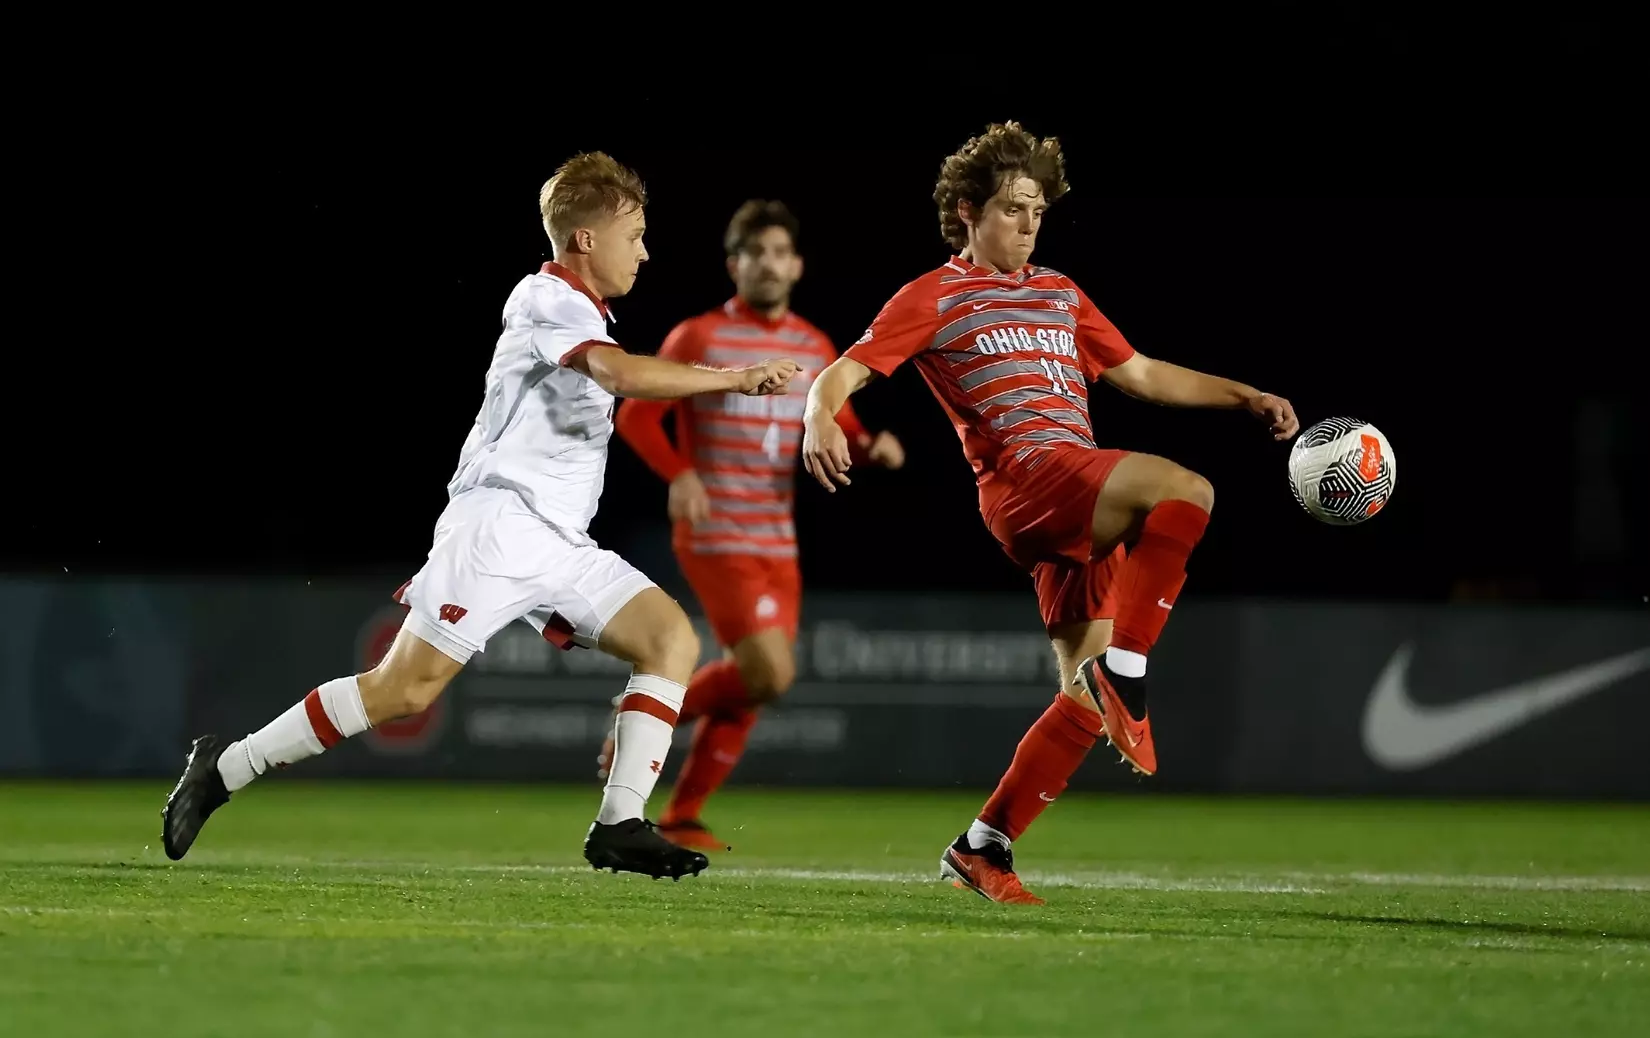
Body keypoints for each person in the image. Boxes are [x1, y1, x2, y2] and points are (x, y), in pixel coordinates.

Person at [160, 152, 800, 880]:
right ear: (586, 239)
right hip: (497, 528)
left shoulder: (584, 311)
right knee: (404, 690)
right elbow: (621, 375)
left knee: (669, 639)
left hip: (557, 542)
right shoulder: (546, 297)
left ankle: (620, 823)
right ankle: (226, 767)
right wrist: (736, 378)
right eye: (636, 234)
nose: (646, 251)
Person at [800, 122, 1299, 905]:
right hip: (1029, 483)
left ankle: (983, 845)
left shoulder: (1060, 293)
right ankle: (1128, 671)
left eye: (1037, 210)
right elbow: (843, 371)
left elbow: (1141, 374)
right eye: (1011, 209)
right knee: (1187, 492)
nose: (1029, 225)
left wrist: (1246, 394)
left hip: (1077, 493)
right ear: (967, 211)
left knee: (1080, 702)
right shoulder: (933, 294)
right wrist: (818, 416)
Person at [607, 200, 905, 851]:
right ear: (733, 264)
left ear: (796, 265)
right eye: (754, 253)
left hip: (778, 540)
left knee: (752, 684)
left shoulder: (814, 346)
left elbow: (837, 426)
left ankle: (683, 814)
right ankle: (647, 710)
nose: (767, 265)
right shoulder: (700, 337)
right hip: (717, 534)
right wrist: (681, 475)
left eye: (778, 253)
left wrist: (869, 443)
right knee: (770, 671)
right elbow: (634, 417)